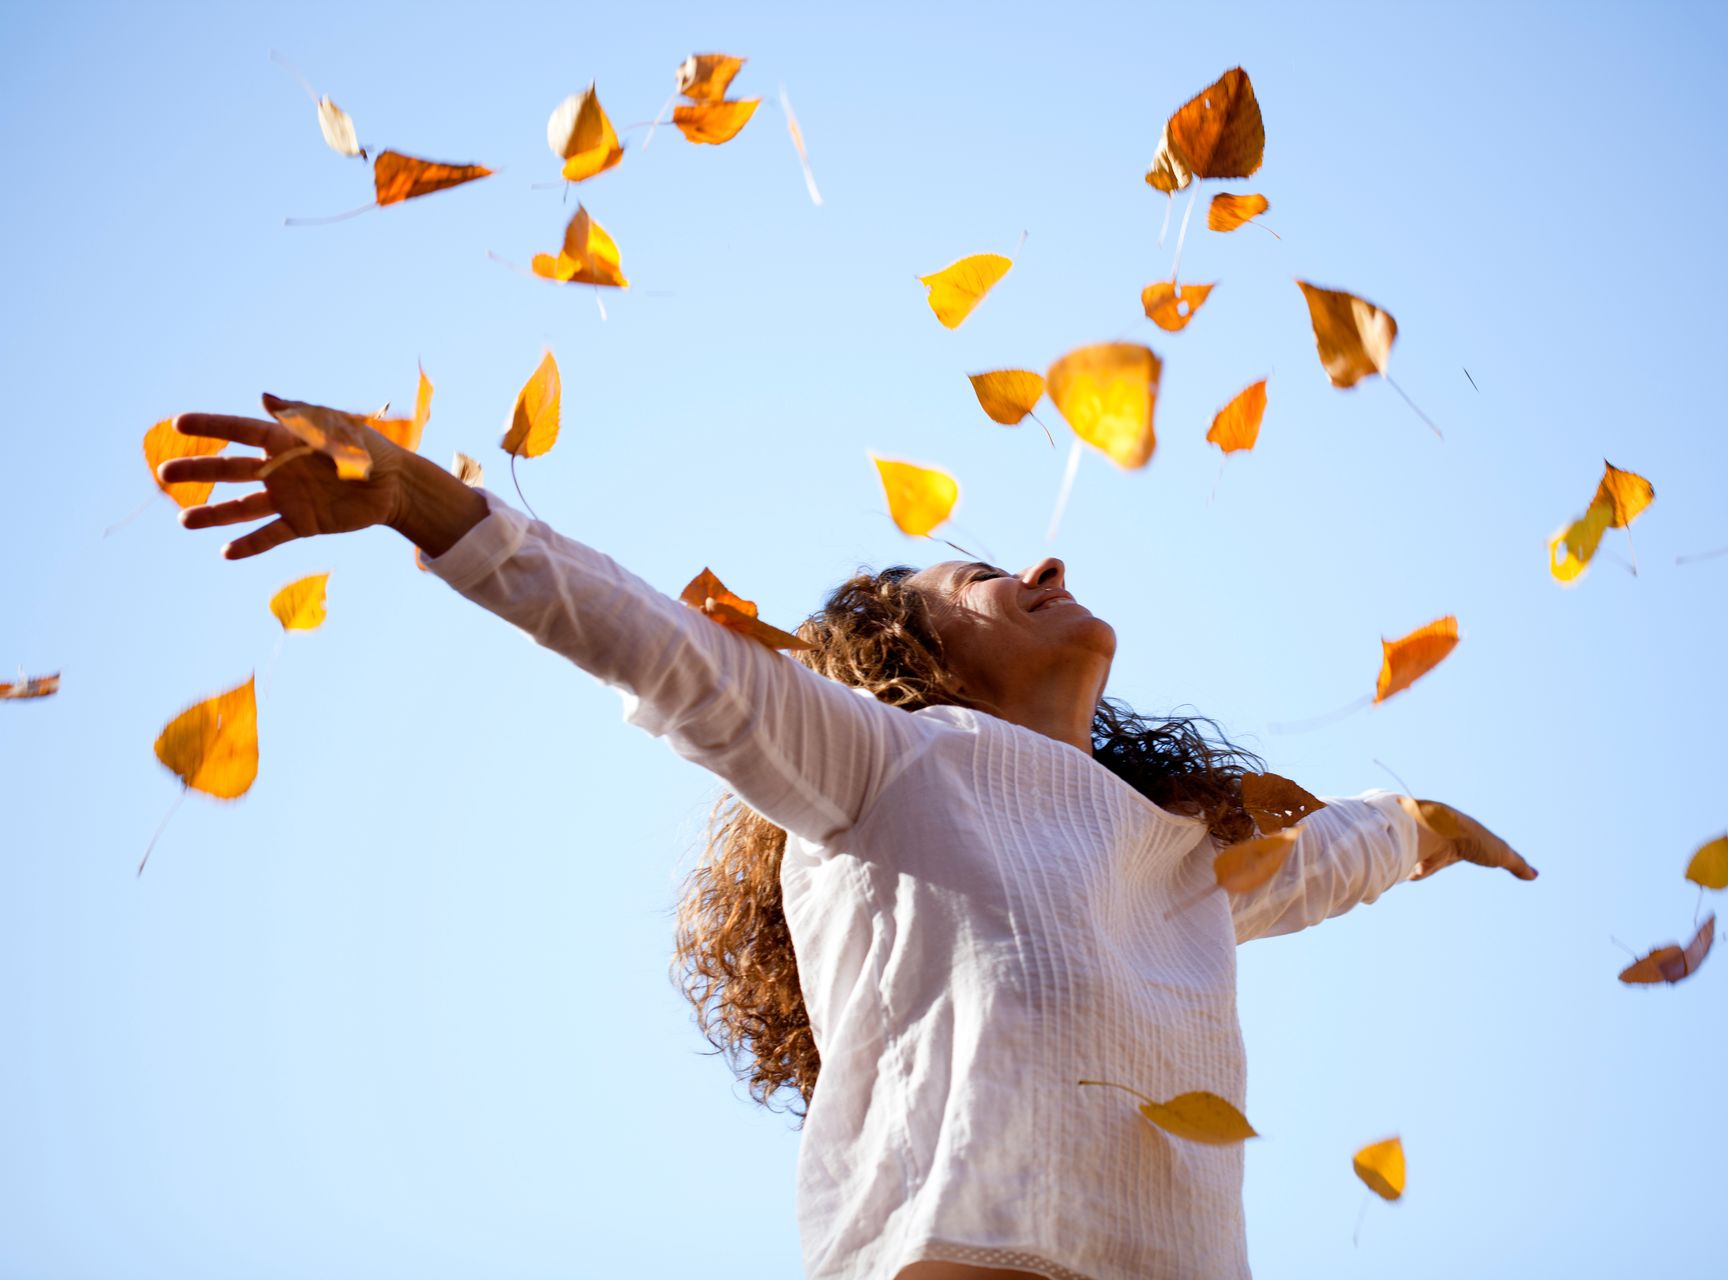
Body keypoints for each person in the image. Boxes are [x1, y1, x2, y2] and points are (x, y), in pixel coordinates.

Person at [162, 401, 1536, 1280]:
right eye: (984, 578)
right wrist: (427, 505)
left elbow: (1334, 856)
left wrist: (1421, 828)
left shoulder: (1179, 857)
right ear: (909, 668)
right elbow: (668, 651)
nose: (1044, 568)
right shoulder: (889, 764)